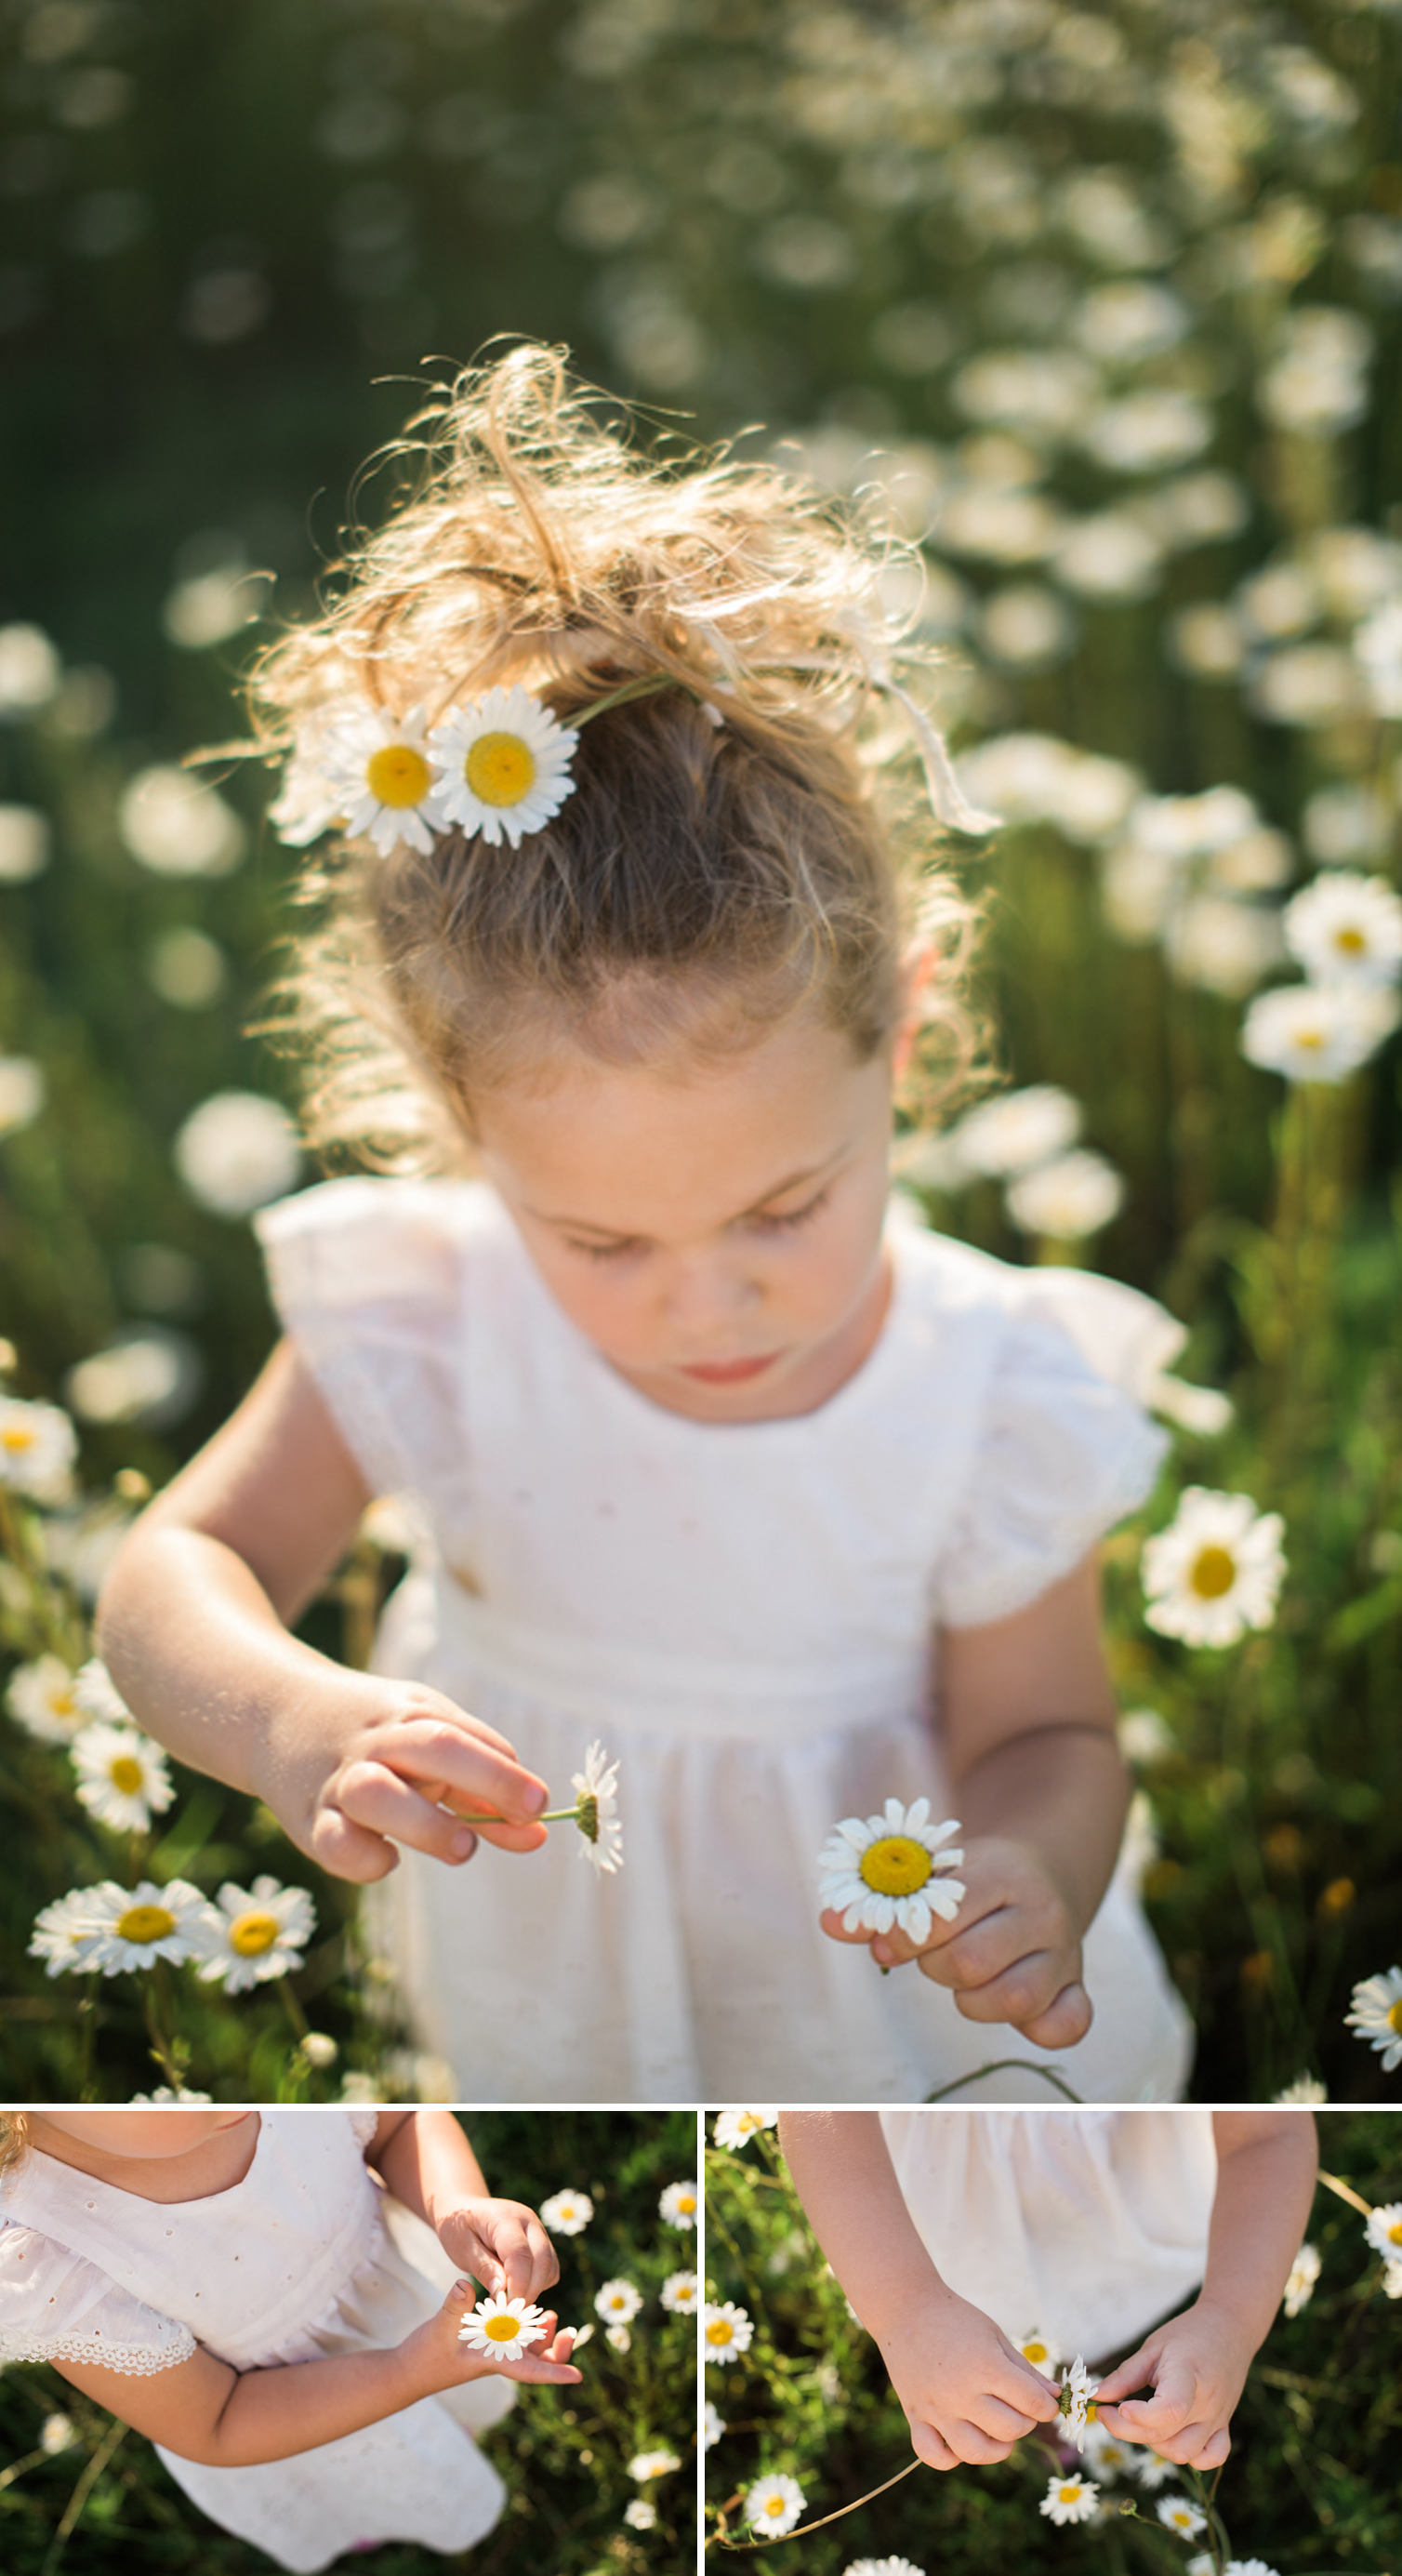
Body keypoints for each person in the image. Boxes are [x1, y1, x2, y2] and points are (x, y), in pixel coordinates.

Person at [98, 342, 1192, 2104]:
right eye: (597, 1243)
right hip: (568, 1966)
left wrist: (1030, 1878)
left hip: (893, 2014)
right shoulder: (432, 1307)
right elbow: (173, 1578)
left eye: (784, 1202)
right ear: (458, 1130)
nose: (710, 1297)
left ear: (903, 1035)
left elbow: (1047, 1733)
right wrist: (286, 1718)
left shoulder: (985, 1388)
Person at [0, 2104, 579, 2572]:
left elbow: (399, 2122)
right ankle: (373, 2516)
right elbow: (216, 2420)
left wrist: (456, 2203)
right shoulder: (46, 2249)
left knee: (449, 2405)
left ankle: (454, 2418)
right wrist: (408, 2371)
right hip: (295, 2413)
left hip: (402, 2297)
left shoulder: (286, 2060)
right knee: (381, 2472)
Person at [777, 2106, 1318, 2474]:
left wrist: (1230, 2321)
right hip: (924, 2210)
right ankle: (1022, 2392)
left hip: (1122, 2180)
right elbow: (813, 2111)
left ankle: (1072, 2382)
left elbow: (1268, 2133)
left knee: (1108, 2300)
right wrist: (904, 2310)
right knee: (951, 2328)